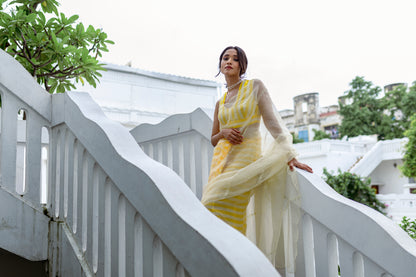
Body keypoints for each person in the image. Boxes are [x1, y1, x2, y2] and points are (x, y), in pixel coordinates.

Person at [201, 46, 313, 273]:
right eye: (225, 58)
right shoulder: (220, 102)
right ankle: (232, 263)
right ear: (220, 65)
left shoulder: (254, 87)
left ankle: (236, 260)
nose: (229, 61)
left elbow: (273, 123)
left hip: (248, 157)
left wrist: (289, 155)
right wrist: (223, 133)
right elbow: (214, 139)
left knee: (212, 201)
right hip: (223, 162)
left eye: (235, 58)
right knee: (220, 209)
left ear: (242, 65)